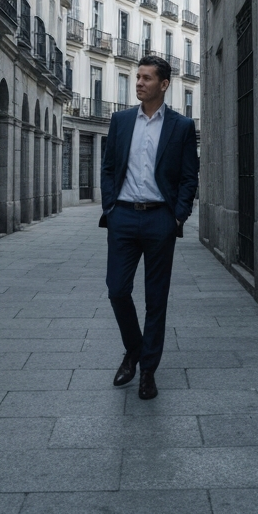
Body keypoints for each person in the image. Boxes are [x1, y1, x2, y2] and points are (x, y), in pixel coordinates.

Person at [100, 55, 199, 400]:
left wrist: (178, 216)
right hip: (123, 217)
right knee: (117, 289)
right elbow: (110, 167)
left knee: (156, 300)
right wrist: (109, 208)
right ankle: (134, 349)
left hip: (160, 219)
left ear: (164, 85)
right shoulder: (121, 121)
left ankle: (148, 372)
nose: (139, 82)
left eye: (146, 78)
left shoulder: (181, 127)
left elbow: (189, 177)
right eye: (137, 77)